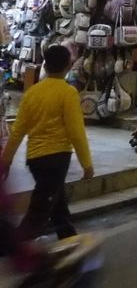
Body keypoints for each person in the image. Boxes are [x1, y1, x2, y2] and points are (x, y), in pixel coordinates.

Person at [0, 45, 93, 241]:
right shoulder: (68, 93)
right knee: (40, 209)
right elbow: (76, 132)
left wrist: (6, 160)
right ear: (68, 66)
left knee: (56, 201)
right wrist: (87, 164)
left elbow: (18, 131)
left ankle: (68, 238)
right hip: (57, 159)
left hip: (35, 159)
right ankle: (14, 247)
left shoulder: (32, 93)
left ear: (45, 65)